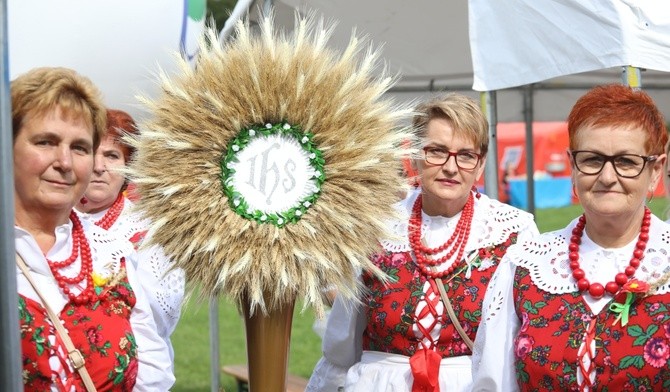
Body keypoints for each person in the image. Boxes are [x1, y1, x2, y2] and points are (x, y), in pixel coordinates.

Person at [306, 93, 539, 391]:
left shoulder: (512, 231)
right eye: (437, 151)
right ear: (415, 155)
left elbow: (522, 341)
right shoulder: (379, 224)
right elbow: (343, 339)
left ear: (480, 166)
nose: (451, 167)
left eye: (466, 155)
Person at [472, 84, 670, 391]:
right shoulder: (525, 265)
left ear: (655, 170)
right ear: (572, 165)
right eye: (592, 159)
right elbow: (494, 383)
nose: (607, 177)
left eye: (626, 162)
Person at [13, 67, 174, 390]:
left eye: (80, 148)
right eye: (46, 142)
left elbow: (153, 374)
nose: (65, 162)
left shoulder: (111, 253)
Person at [74, 109, 185, 361]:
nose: (99, 167)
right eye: (89, 153)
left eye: (111, 156)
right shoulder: (51, 220)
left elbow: (161, 320)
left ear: (128, 168)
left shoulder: (149, 231)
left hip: (133, 368)